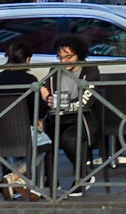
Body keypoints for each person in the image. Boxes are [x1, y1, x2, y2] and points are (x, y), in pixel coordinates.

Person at [39, 33, 101, 193]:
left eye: (68, 57)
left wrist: (61, 105)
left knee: (68, 139)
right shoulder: (55, 69)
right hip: (57, 120)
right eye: (60, 57)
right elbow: (44, 89)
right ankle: (52, 182)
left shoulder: (90, 70)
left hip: (82, 119)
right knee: (43, 140)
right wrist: (47, 101)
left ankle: (83, 176)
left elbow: (87, 101)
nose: (63, 61)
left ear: (79, 55)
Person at [0, 37, 39, 200]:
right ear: (27, 59)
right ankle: (14, 177)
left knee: (17, 138)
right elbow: (37, 110)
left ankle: (14, 180)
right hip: (24, 133)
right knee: (46, 142)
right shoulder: (30, 81)